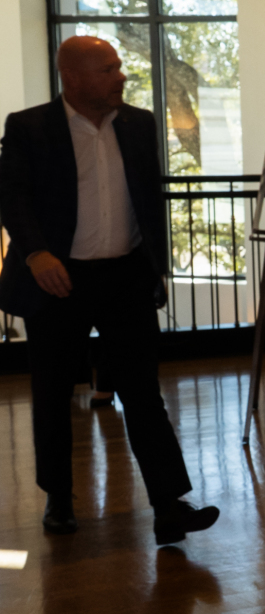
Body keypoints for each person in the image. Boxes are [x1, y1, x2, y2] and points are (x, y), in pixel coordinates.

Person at [0, 36, 220, 545]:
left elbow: (149, 200)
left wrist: (156, 267)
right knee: (53, 393)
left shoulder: (139, 124)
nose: (121, 76)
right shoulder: (30, 127)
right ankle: (59, 497)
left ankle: (168, 505)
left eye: (119, 67)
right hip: (58, 279)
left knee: (142, 392)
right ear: (73, 78)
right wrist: (36, 253)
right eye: (108, 69)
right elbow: (12, 196)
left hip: (125, 277)